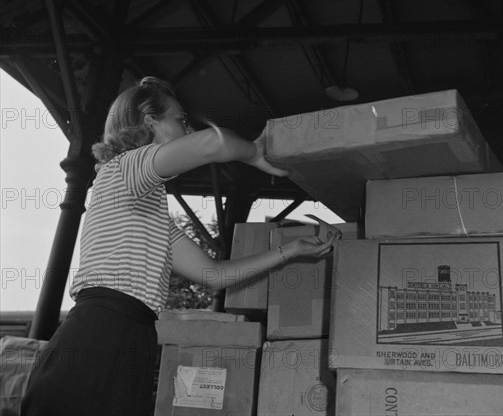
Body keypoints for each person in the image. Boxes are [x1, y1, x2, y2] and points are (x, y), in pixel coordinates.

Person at [21, 77, 339, 416]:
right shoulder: (125, 169)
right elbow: (213, 143)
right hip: (103, 328)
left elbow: (213, 274)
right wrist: (254, 153)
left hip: (133, 334)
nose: (187, 127)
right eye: (180, 118)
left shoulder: (147, 208)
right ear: (149, 121)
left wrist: (290, 251)